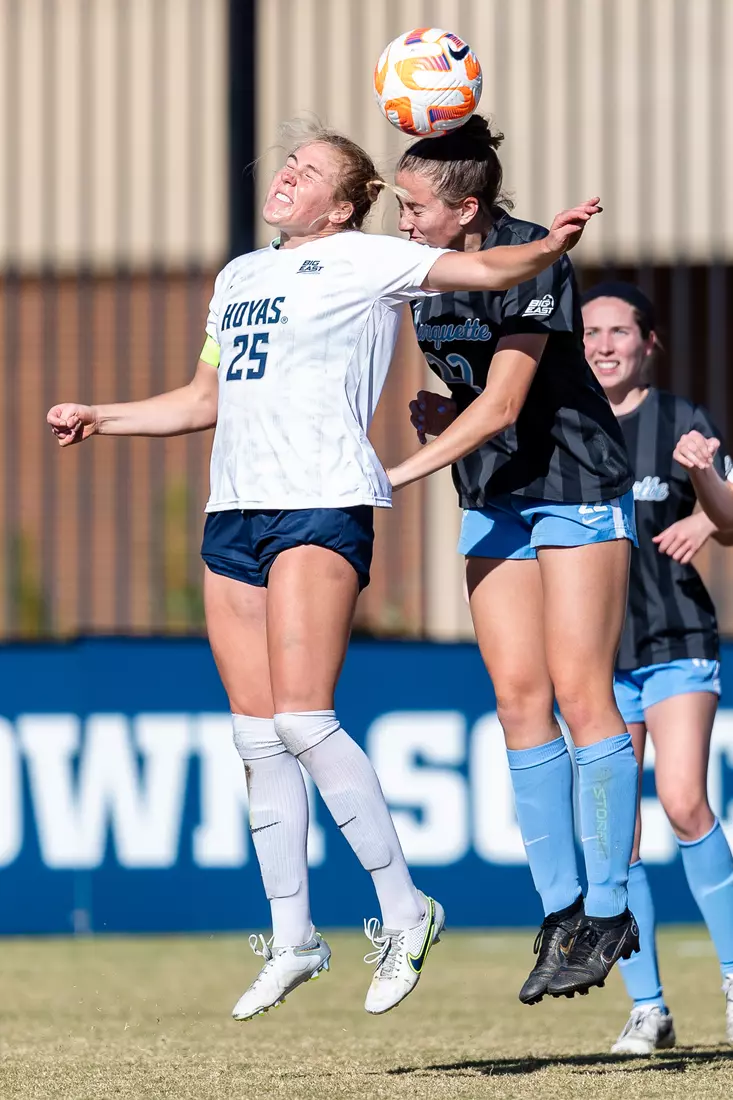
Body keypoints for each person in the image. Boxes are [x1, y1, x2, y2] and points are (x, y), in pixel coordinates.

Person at [46, 124, 599, 1021]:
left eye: (307, 172)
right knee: (256, 736)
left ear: (342, 205)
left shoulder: (368, 258)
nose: (286, 176)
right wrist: (100, 416)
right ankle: (296, 939)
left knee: (304, 720)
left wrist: (549, 244)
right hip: (235, 510)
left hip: (321, 499)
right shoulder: (238, 277)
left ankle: (405, 910)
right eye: (286, 165)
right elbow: (203, 400)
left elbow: (490, 274)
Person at [392, 115, 640, 1003]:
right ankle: (561, 911)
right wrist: (436, 412)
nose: (403, 219)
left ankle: (609, 912)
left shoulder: (533, 253)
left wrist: (394, 472)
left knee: (581, 693)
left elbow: (501, 404)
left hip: (573, 484)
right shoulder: (423, 277)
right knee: (516, 701)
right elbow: (468, 396)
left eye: (414, 206)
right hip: (492, 495)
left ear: (466, 210)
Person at [581, 281, 733, 1053]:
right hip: (596, 659)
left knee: (680, 801)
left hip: (675, 642)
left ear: (648, 343)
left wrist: (705, 498)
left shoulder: (680, 422)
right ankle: (647, 1007)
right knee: (614, 841)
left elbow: (732, 521)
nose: (603, 345)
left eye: (618, 332)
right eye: (591, 333)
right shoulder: (563, 424)